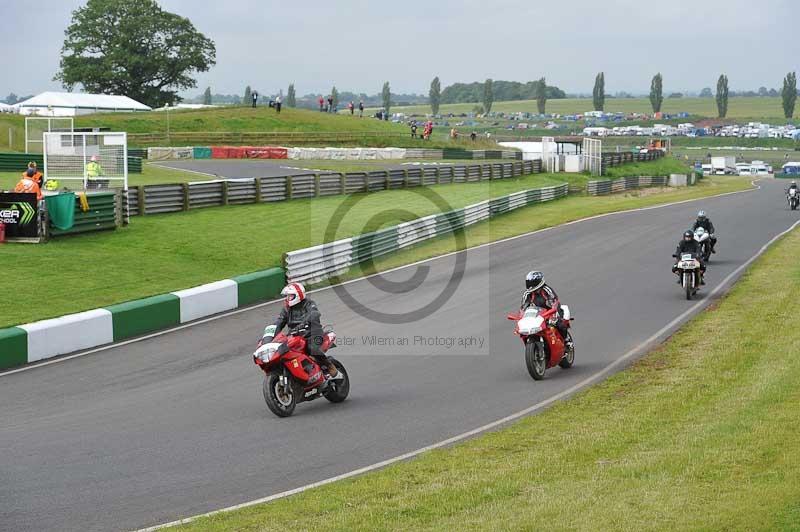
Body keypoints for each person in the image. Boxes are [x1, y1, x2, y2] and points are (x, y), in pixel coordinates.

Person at [265, 283, 342, 381]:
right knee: (284, 351)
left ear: (298, 295)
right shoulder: (287, 309)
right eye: (287, 296)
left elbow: (314, 314)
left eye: (290, 296)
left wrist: (305, 323)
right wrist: (270, 333)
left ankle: (330, 366)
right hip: (296, 336)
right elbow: (279, 321)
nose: (287, 298)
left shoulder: (309, 303)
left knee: (312, 348)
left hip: (312, 333)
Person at [520, 271, 571, 346]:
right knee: (524, 329)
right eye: (528, 283)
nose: (530, 285)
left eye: (532, 283)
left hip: (551, 311)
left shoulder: (546, 289)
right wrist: (521, 316)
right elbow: (523, 307)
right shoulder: (527, 294)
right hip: (537, 314)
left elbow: (554, 301)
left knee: (558, 323)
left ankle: (567, 341)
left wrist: (553, 312)